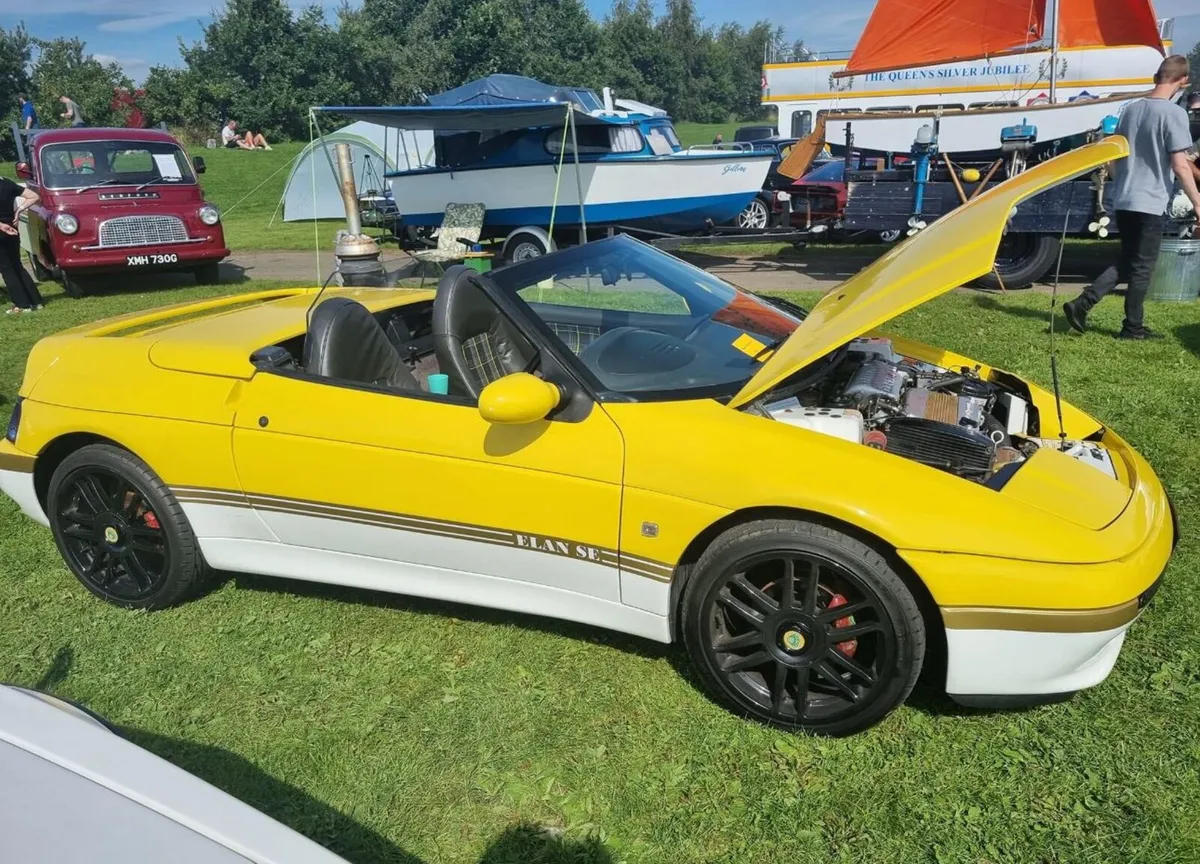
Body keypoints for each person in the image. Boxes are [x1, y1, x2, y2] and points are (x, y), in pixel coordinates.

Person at [1063, 56, 1200, 340]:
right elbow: (1179, 165)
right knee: (1142, 267)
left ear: (1155, 77)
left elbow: (1114, 155)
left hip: (1125, 198)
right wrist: (1198, 202)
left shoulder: (1131, 110)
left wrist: (1119, 181)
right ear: (1183, 81)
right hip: (1150, 202)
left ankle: (1081, 304)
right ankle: (1132, 327)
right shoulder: (1174, 115)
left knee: (1128, 261)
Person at [0, 176, 45, 314]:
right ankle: (36, 301)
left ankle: (22, 304)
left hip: (3, 228)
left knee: (7, 269)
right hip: (12, 227)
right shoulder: (7, 183)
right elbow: (33, 196)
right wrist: (19, 210)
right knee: (17, 266)